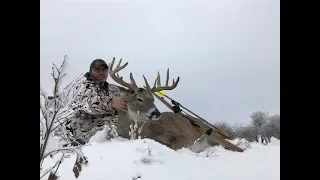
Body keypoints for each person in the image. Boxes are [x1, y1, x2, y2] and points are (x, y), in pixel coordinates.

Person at [64, 59, 127, 145]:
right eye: (98, 70)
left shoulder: (110, 89)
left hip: (98, 126)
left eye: (104, 70)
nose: (101, 73)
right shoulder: (84, 86)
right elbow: (89, 105)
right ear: (91, 71)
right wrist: (111, 103)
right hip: (81, 132)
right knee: (113, 125)